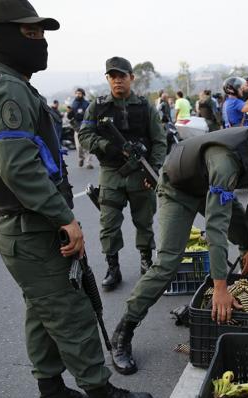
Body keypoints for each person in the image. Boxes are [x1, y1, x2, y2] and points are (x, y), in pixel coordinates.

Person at [0, 0, 152, 398]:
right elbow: (18, 167)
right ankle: (101, 395)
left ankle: (52, 394)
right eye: (31, 34)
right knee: (70, 312)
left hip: (25, 228)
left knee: (43, 313)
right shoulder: (8, 89)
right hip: (33, 228)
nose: (41, 43)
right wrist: (64, 217)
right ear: (2, 37)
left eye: (41, 35)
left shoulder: (15, 85)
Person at [108, 117, 248, 375]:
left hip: (209, 187)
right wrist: (220, 287)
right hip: (177, 191)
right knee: (167, 263)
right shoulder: (226, 162)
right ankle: (124, 331)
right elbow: (217, 228)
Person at [78, 56, 167, 290]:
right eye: (112, 76)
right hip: (111, 173)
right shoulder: (97, 106)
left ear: (131, 78)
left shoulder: (145, 106)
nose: (117, 81)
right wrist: (107, 145)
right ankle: (112, 267)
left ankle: (146, 260)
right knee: (108, 223)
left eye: (122, 76)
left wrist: (153, 169)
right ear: (108, 79)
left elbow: (159, 140)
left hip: (140, 172)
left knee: (144, 220)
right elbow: (84, 136)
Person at [69, 88, 92, 168]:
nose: (78, 95)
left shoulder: (87, 104)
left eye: (79, 93)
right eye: (77, 93)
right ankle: (81, 158)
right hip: (77, 127)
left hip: (86, 126)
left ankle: (88, 162)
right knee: (79, 146)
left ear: (83, 94)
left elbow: (91, 114)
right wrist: (70, 113)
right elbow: (70, 116)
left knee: (87, 145)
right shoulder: (73, 104)